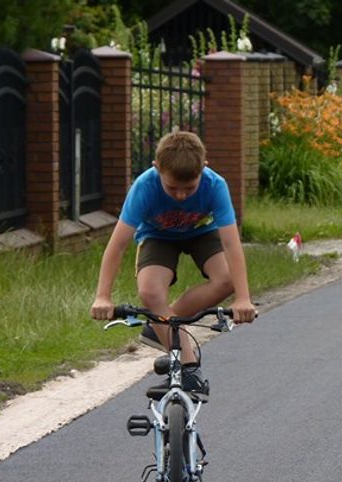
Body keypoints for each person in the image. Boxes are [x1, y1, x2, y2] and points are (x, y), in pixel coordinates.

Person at [89, 130, 257, 398]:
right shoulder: (145, 186)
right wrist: (102, 296)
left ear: (204, 168)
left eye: (189, 188)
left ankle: (160, 327)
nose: (180, 195)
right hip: (158, 236)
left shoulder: (215, 185)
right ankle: (190, 369)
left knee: (226, 279)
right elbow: (117, 244)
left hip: (203, 232)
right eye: (172, 188)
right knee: (150, 293)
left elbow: (231, 244)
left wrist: (243, 297)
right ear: (157, 169)